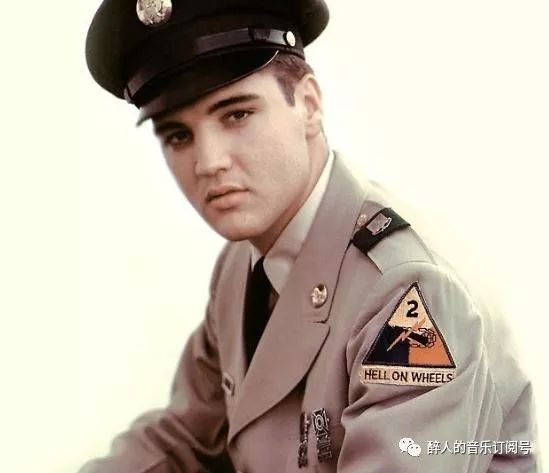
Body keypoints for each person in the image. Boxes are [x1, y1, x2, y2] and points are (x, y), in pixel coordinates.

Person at [81, 0, 538, 471]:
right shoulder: (242, 264)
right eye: (179, 135)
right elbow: (187, 436)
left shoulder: (407, 292)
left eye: (236, 114)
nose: (209, 162)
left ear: (309, 105)